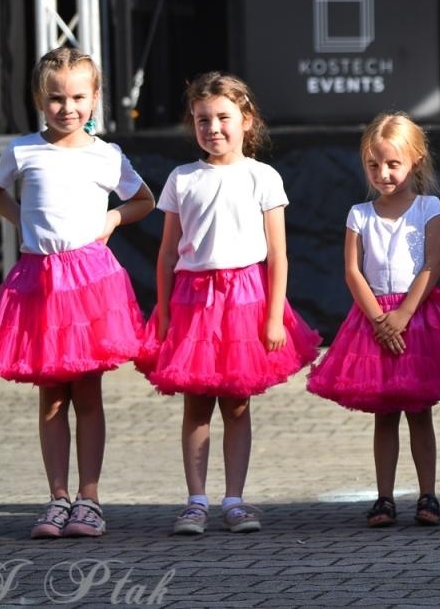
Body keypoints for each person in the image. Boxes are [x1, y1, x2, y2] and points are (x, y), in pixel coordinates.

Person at [0, 47, 155, 538]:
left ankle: (89, 499)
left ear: (95, 99)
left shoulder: (106, 155)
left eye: (77, 97)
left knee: (87, 393)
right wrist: (22, 220)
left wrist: (112, 218)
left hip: (89, 283)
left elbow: (143, 200)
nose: (66, 108)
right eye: (55, 98)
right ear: (38, 99)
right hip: (39, 281)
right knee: (51, 396)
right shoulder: (22, 151)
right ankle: (56, 498)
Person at [138, 72, 321, 536]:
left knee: (237, 404)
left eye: (223, 117)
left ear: (246, 120)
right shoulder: (182, 178)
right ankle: (195, 501)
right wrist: (161, 312)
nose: (213, 128)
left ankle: (235, 500)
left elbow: (278, 253)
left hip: (246, 299)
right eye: (203, 120)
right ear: (192, 124)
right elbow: (166, 254)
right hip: (193, 302)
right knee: (197, 404)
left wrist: (275, 314)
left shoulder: (263, 176)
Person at [306, 112, 440, 527]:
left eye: (393, 163)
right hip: (373, 320)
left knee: (420, 410)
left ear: (416, 162)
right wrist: (377, 318)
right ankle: (384, 498)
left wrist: (403, 314)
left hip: (418, 318)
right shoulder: (359, 214)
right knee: (384, 413)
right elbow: (352, 270)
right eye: (374, 165)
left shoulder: (429, 207)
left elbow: (433, 263)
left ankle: (428, 495)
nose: (383, 173)